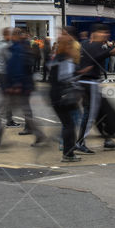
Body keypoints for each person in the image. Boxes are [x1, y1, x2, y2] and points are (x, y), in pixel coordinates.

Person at [0, 28, 45, 147]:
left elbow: (17, 68)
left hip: (17, 87)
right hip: (22, 86)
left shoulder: (18, 48)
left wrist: (14, 84)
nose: (11, 37)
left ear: (15, 36)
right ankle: (39, 135)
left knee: (3, 112)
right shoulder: (21, 47)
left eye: (13, 35)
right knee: (25, 111)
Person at [75, 24, 115, 154]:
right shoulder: (95, 45)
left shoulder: (86, 43)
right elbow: (107, 54)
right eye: (103, 33)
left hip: (87, 83)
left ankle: (107, 139)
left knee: (100, 113)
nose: (106, 35)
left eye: (107, 33)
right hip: (89, 83)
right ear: (95, 33)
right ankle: (79, 142)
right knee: (90, 115)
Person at [49, 34, 82, 162]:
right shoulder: (65, 60)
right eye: (71, 45)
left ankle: (68, 151)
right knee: (69, 125)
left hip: (56, 96)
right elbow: (66, 78)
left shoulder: (57, 57)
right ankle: (68, 154)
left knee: (68, 123)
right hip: (64, 97)